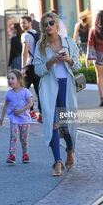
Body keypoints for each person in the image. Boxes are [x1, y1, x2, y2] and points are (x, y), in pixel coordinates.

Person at [34, 11, 81, 176]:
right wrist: (51, 60)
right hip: (49, 88)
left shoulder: (68, 42)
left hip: (65, 87)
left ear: (57, 24)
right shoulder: (40, 45)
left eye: (51, 23)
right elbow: (38, 70)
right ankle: (57, 161)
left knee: (65, 124)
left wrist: (69, 60)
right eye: (45, 24)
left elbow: (78, 66)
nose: (48, 26)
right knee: (52, 123)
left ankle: (69, 149)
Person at [0, 69, 33, 164]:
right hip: (14, 119)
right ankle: (12, 155)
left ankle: (25, 154)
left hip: (25, 120)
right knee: (13, 136)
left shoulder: (26, 92)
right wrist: (1, 117)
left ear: (19, 79)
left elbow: (30, 103)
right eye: (8, 79)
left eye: (12, 78)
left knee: (24, 139)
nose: (10, 80)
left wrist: (21, 111)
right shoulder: (9, 93)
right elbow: (5, 105)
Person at [20, 16, 42, 122]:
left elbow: (25, 52)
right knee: (39, 91)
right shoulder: (37, 34)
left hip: (29, 66)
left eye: (24, 23)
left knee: (24, 91)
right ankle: (42, 114)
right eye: (21, 23)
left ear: (30, 22)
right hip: (38, 66)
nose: (22, 25)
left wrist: (23, 68)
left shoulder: (25, 35)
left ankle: (31, 112)